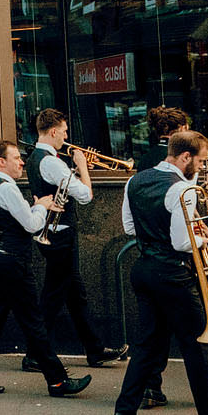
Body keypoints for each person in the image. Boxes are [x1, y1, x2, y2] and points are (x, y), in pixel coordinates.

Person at [109, 130, 208, 415]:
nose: (203, 168)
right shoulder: (183, 190)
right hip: (174, 274)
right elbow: (181, 242)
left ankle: (124, 413)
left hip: (145, 269)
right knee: (199, 347)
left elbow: (128, 227)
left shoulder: (135, 180)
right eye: (202, 161)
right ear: (185, 157)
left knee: (148, 347)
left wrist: (162, 233)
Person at [0, 140, 93, 399]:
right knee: (33, 322)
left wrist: (38, 206)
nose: (22, 162)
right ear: (1, 162)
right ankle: (57, 381)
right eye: (15, 158)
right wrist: (41, 207)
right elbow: (33, 225)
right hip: (13, 261)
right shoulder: (8, 190)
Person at [23, 108, 125, 369]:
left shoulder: (38, 158)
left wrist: (78, 170)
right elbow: (85, 195)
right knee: (53, 296)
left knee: (75, 294)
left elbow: (66, 186)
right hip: (60, 236)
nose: (67, 137)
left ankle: (95, 349)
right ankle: (34, 354)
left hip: (53, 234)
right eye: (65, 131)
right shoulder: (52, 162)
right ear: (54, 131)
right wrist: (82, 167)